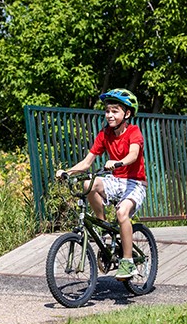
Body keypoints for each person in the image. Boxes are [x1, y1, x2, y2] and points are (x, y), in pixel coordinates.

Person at [55, 88, 147, 280]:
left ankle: (128, 262)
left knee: (122, 213)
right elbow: (87, 162)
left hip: (135, 182)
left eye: (115, 111)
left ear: (127, 113)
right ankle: (104, 225)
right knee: (88, 183)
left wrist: (118, 162)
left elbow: (133, 154)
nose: (110, 115)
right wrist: (67, 172)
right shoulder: (104, 134)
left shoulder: (133, 132)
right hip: (115, 181)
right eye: (107, 111)